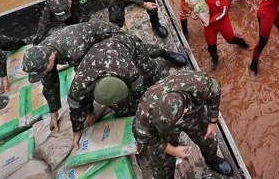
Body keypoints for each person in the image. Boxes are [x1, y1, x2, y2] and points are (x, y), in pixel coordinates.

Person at [22, 22, 186, 132]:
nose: (43, 74)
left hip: (110, 37)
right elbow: (50, 84)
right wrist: (54, 112)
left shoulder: (74, 49)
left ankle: (164, 53)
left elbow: (89, 76)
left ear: (50, 59)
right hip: (90, 48)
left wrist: (88, 111)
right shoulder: (41, 54)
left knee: (138, 54)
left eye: (43, 71)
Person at [68, 34, 163, 149]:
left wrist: (144, 113)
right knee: (124, 110)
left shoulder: (130, 71)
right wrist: (77, 130)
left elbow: (140, 94)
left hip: (126, 44)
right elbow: (76, 109)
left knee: (152, 74)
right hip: (97, 57)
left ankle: (163, 52)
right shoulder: (79, 86)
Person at [133, 71, 233, 178]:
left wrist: (213, 121)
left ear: (185, 108)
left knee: (209, 140)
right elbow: (144, 137)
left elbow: (215, 92)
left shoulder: (200, 84)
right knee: (161, 165)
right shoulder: (145, 112)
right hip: (164, 131)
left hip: (193, 115)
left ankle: (212, 160)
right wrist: (173, 150)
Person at [196, 0, 250, 69]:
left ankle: (242, 43)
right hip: (208, 24)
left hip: (222, 22)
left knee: (230, 40)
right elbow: (199, 4)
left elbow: (223, 12)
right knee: (211, 44)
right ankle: (215, 60)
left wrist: (209, 20)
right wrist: (195, 13)